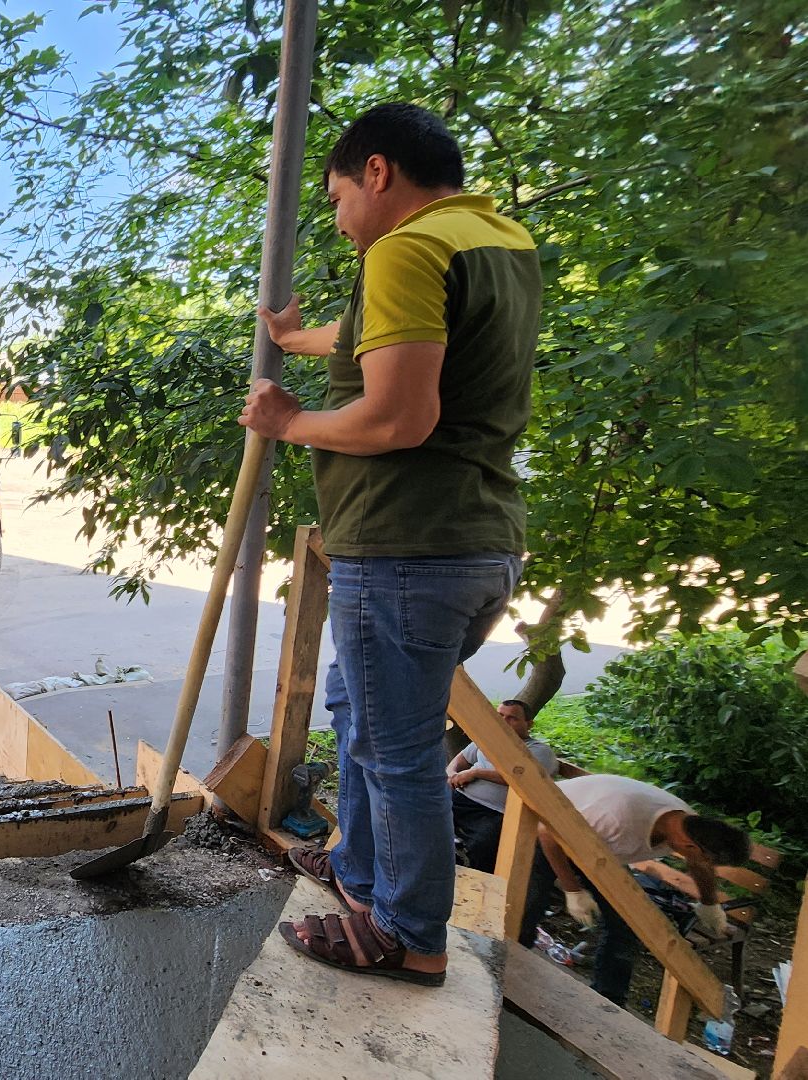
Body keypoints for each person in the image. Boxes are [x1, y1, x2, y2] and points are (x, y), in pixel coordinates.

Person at [240, 102, 541, 986]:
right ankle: (360, 872)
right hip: (477, 546)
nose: (336, 219)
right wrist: (300, 339)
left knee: (395, 746)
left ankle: (406, 935)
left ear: (378, 172)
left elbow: (401, 413)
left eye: (336, 196)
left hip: (410, 547)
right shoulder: (491, 241)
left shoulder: (404, 249)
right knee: (356, 711)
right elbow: (398, 341)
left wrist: (291, 420)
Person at [517, 774, 749, 1004]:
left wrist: (710, 903)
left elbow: (698, 863)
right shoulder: (618, 818)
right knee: (529, 901)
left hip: (597, 850)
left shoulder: (691, 827)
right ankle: (513, 954)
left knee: (626, 921)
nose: (705, 864)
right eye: (708, 860)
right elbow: (548, 833)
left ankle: (609, 1000)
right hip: (548, 830)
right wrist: (572, 889)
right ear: (689, 846)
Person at [447, 698, 562, 870]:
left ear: (529, 724)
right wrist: (451, 774)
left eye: (512, 718)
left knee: (483, 845)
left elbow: (528, 780)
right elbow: (459, 760)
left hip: (495, 812)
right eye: (500, 715)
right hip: (460, 797)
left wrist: (476, 773)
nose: (503, 722)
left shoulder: (539, 751)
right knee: (417, 813)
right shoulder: (489, 739)